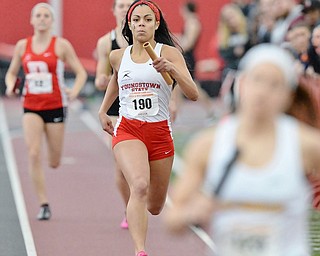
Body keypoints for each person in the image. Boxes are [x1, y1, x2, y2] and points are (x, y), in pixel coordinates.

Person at [164, 44, 320, 255]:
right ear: (242, 84)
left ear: (289, 95)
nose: (263, 92)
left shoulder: (305, 145)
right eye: (257, 80)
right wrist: (192, 212)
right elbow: (172, 220)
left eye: (275, 85)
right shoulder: (208, 145)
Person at [98, 1, 199, 255]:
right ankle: (140, 250)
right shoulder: (118, 56)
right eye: (136, 20)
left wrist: (172, 68)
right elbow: (115, 80)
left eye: (146, 20)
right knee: (139, 185)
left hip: (160, 132)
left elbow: (194, 93)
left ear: (155, 24)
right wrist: (102, 110)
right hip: (129, 130)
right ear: (129, 25)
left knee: (155, 206)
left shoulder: (170, 52)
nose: (140, 24)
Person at [5, 3, 87, 220]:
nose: (42, 19)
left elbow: (80, 73)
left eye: (46, 16)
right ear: (32, 20)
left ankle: (52, 165)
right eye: (38, 15)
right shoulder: (23, 46)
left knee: (54, 161)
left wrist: (74, 91)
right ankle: (43, 202)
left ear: (51, 21)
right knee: (33, 153)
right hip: (31, 105)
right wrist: (10, 85)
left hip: (55, 106)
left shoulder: (61, 46)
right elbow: (11, 73)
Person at [95, 0, 133, 230]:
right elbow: (102, 73)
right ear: (113, 10)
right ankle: (129, 208)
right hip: (116, 109)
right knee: (121, 164)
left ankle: (141, 198)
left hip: (141, 107)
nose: (125, 9)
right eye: (121, 5)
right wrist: (101, 79)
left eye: (130, 5)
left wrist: (173, 102)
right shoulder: (105, 42)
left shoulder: (144, 37)